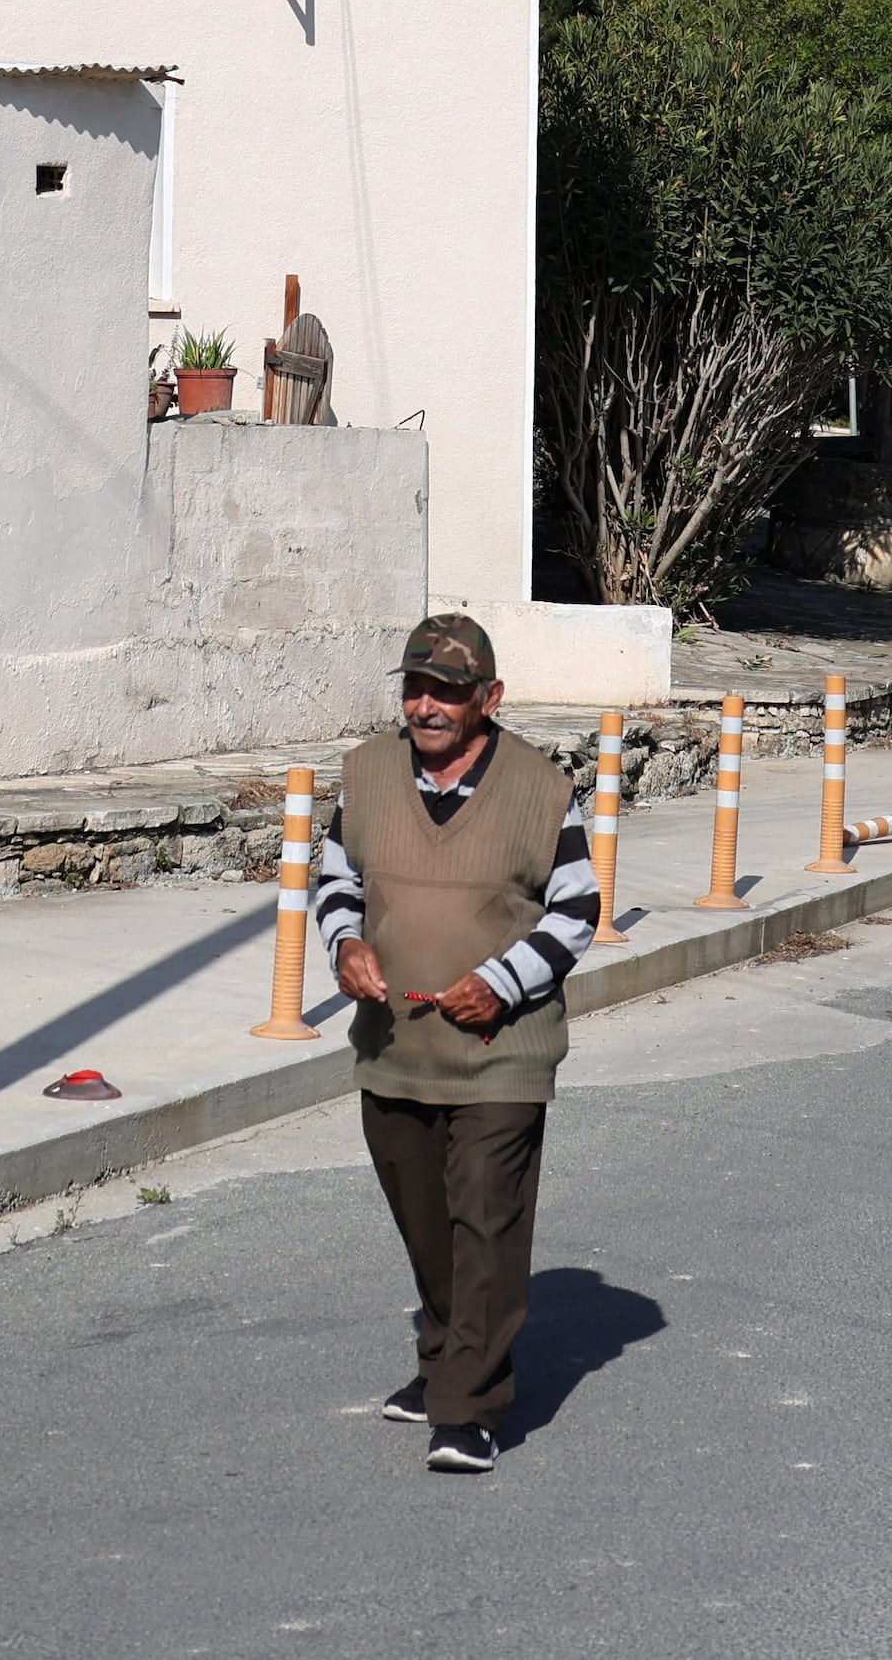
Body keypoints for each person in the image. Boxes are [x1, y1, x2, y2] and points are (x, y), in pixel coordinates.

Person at [312, 611, 598, 1475]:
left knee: (484, 1214)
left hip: (502, 1049)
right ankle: (444, 1355)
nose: (427, 705)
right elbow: (336, 878)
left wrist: (504, 982)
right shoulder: (367, 774)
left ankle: (469, 1404)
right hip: (395, 1043)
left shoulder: (541, 787)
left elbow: (577, 909)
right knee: (425, 1219)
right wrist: (345, 944)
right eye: (416, 687)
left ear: (489, 697)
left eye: (447, 690)